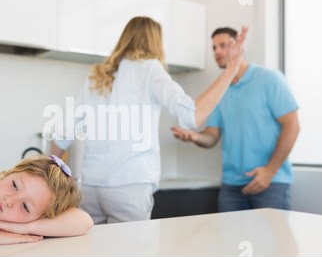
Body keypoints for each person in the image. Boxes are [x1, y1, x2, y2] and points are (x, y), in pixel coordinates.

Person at [50, 17, 248, 224]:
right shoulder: (150, 70)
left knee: (93, 252)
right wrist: (230, 69)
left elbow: (64, 131)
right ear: (155, 41)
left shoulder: (98, 75)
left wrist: (50, 181)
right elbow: (192, 116)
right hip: (130, 187)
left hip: (91, 187)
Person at [172, 27, 300, 212]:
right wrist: (195, 137)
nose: (217, 52)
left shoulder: (269, 79)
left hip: (270, 183)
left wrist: (270, 171)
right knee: (231, 241)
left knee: (273, 241)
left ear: (239, 47)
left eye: (223, 45)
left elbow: (293, 126)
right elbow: (212, 135)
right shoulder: (220, 90)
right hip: (231, 186)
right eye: (214, 48)